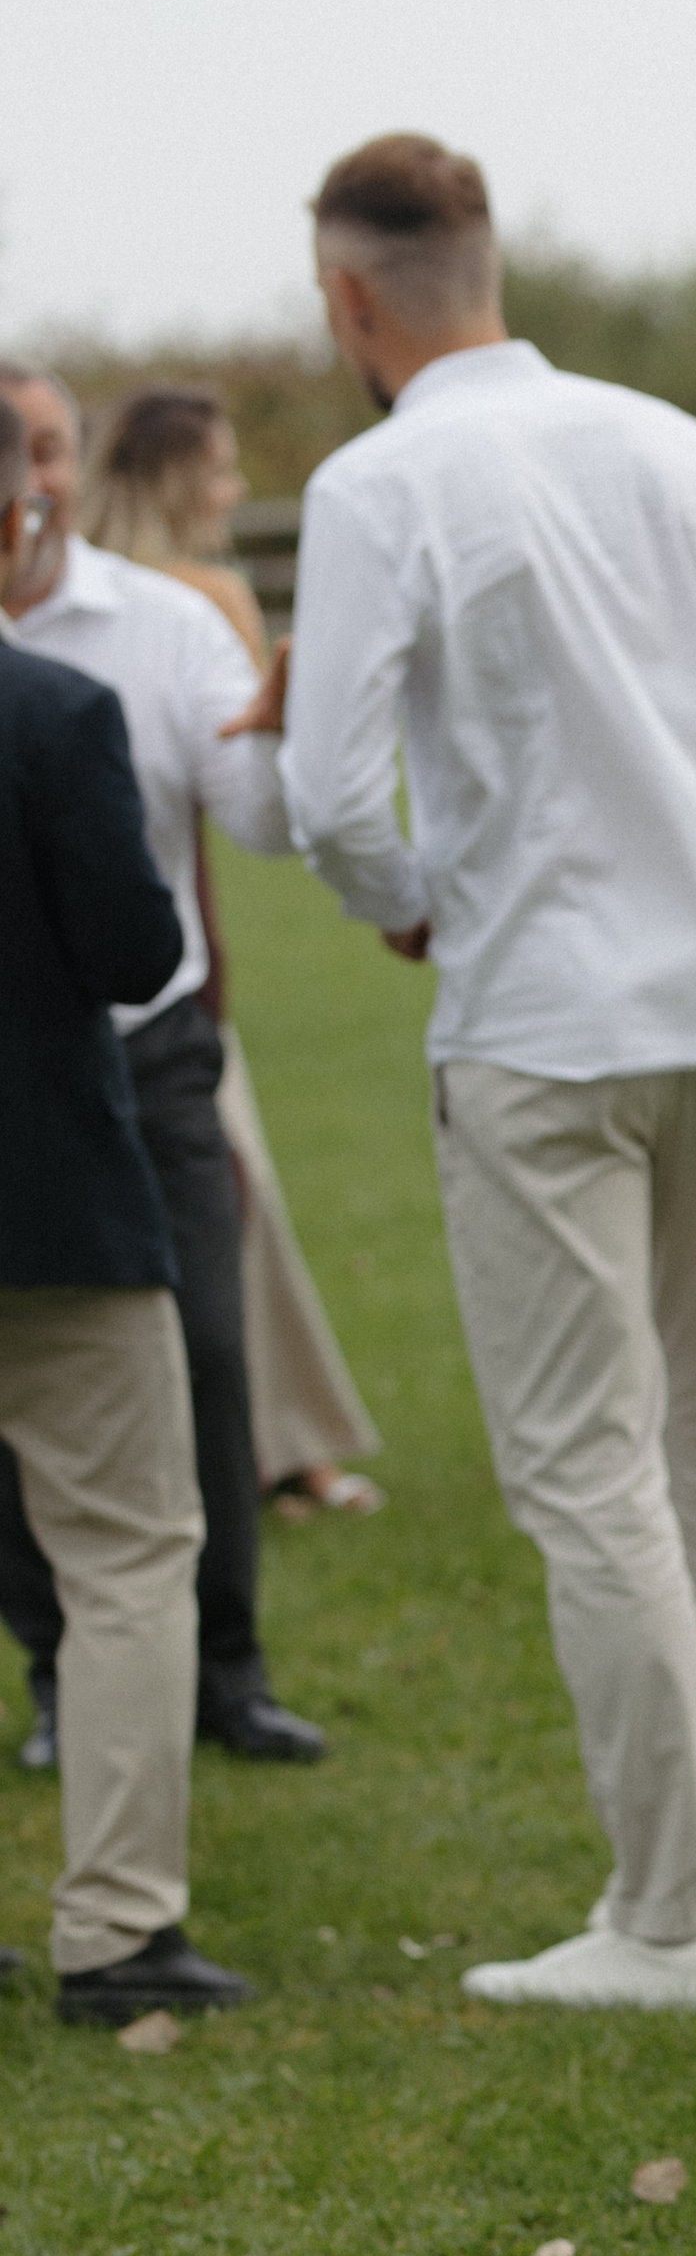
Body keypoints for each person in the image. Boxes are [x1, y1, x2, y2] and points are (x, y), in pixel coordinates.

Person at [281, 133, 696, 2011]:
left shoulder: (379, 482)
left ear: (354, 296)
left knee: (596, 1464)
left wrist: (422, 895)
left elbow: (327, 793)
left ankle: (676, 1913)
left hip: (543, 1007)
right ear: (483, 261)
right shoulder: (686, 444)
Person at [0, 358, 326, 1771]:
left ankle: (225, 1668)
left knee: (205, 1351)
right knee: (30, 1397)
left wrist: (285, 728)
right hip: (22, 1073)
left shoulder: (161, 624)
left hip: (157, 1051)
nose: (49, 480)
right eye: (30, 456)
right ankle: (67, 1674)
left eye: (61, 448)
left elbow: (253, 821)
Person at [0, 399, 253, 2025]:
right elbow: (135, 950)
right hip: (49, 1197)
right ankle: (113, 1926)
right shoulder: (52, 714)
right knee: (128, 1550)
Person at [87, 384, 385, 1516]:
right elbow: (257, 799)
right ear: (172, 478)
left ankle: (270, 1439)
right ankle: (271, 1447)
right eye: (218, 470)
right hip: (174, 958)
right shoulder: (200, 600)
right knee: (227, 1186)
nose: (234, 490)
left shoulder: (102, 600)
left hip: (123, 947)